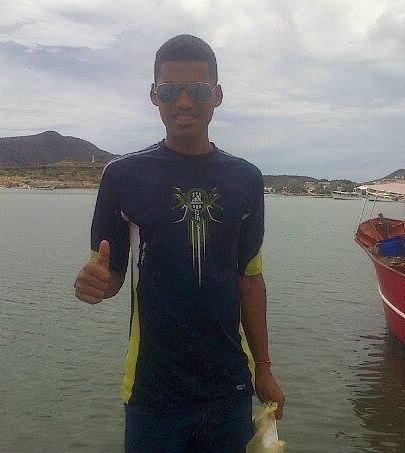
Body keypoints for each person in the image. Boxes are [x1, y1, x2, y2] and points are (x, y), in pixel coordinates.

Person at [74, 34, 285, 452]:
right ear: (154, 95)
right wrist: (93, 285)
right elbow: (110, 275)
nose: (184, 102)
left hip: (229, 388)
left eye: (198, 91)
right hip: (153, 391)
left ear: (217, 95)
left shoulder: (246, 179)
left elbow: (249, 280)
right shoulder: (122, 177)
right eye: (170, 91)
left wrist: (263, 368)